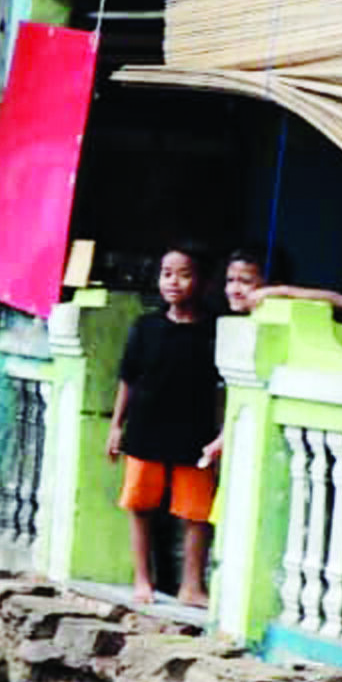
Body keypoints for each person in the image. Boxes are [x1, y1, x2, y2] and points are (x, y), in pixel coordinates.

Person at [109, 242, 222, 607]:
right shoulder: (146, 327)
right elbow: (128, 378)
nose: (173, 282)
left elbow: (222, 390)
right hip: (146, 428)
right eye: (166, 274)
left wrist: (222, 435)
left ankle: (192, 585)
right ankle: (143, 579)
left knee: (196, 512)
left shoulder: (215, 331)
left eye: (184, 275)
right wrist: (116, 426)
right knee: (140, 506)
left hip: (195, 433)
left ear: (204, 282)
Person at [224, 246, 342, 317]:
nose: (234, 290)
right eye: (230, 280)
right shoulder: (220, 308)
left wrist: (278, 291)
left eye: (245, 282)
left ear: (273, 284)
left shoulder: (277, 301)